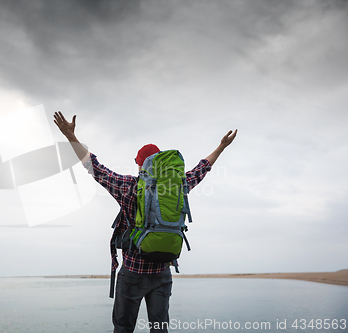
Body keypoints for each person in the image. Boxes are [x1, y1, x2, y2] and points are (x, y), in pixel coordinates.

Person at [53, 111, 237, 333]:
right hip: (162, 272)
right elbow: (201, 169)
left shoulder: (128, 186)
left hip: (132, 271)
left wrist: (71, 136)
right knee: (159, 330)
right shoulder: (177, 185)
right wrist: (221, 147)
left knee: (123, 328)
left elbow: (95, 168)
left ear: (140, 164)